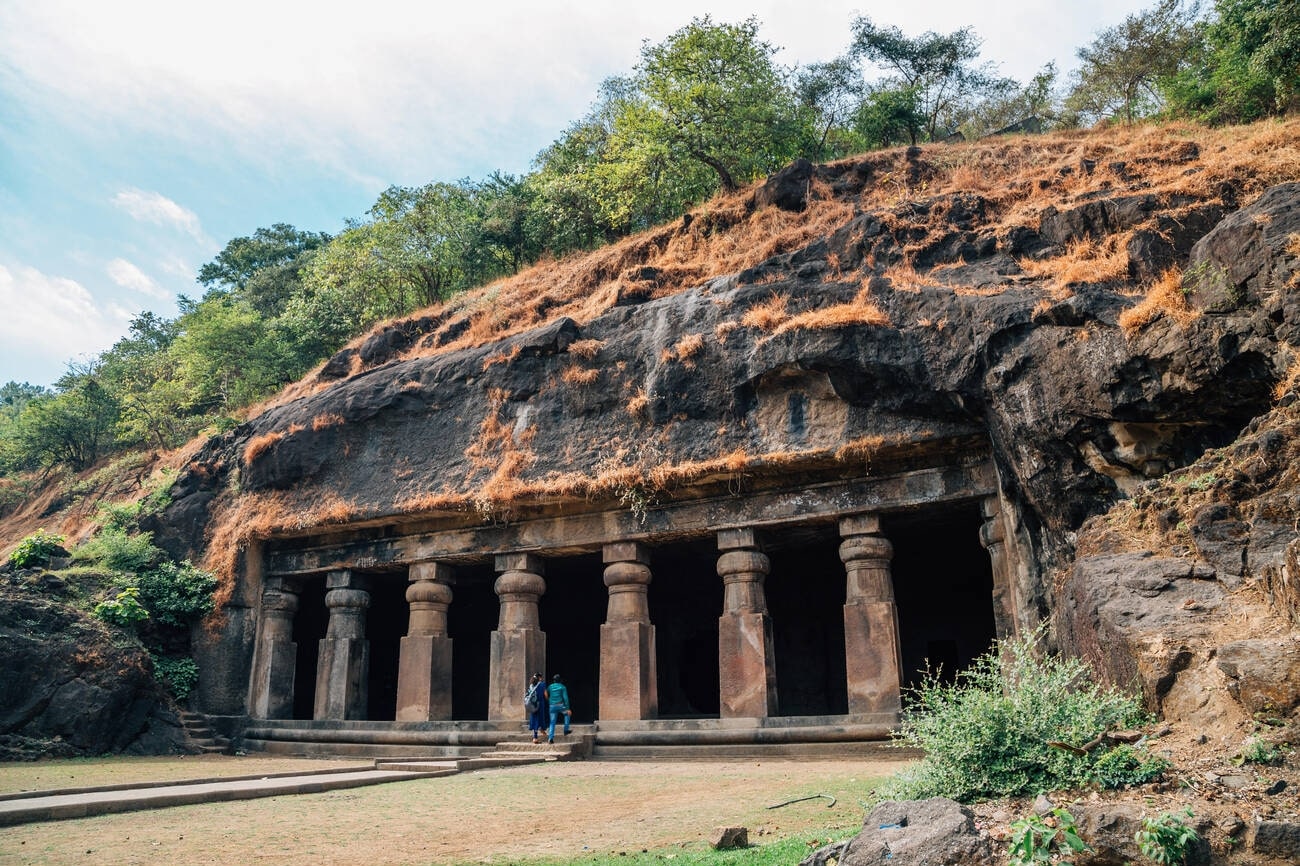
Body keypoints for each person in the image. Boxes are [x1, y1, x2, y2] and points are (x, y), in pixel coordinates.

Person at [545, 674, 571, 744]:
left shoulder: (550, 686)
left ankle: (550, 738)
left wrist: (548, 700)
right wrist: (568, 708)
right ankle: (566, 729)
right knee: (567, 714)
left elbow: (546, 693)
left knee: (552, 722)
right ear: (560, 680)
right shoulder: (562, 687)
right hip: (560, 705)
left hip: (552, 706)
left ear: (553, 680)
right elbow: (565, 698)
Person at [525, 673, 548, 744]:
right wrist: (547, 700)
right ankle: (536, 737)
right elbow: (545, 694)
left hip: (533, 705)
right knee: (540, 718)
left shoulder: (531, 685)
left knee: (535, 719)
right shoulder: (542, 684)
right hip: (540, 704)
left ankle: (539, 732)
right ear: (540, 678)